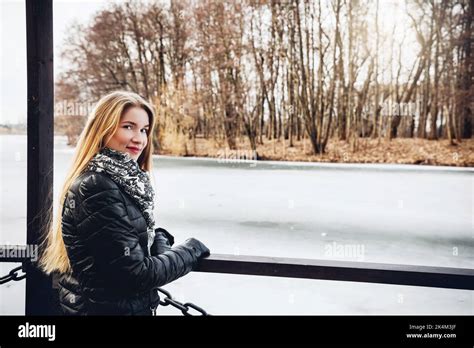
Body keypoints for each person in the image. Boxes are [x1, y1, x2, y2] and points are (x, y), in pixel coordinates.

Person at [39, 91, 210, 315]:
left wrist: (157, 238)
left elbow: (124, 254)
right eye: (128, 126)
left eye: (144, 130)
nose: (139, 138)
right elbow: (136, 275)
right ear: (102, 129)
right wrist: (192, 249)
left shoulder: (121, 181)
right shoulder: (97, 186)